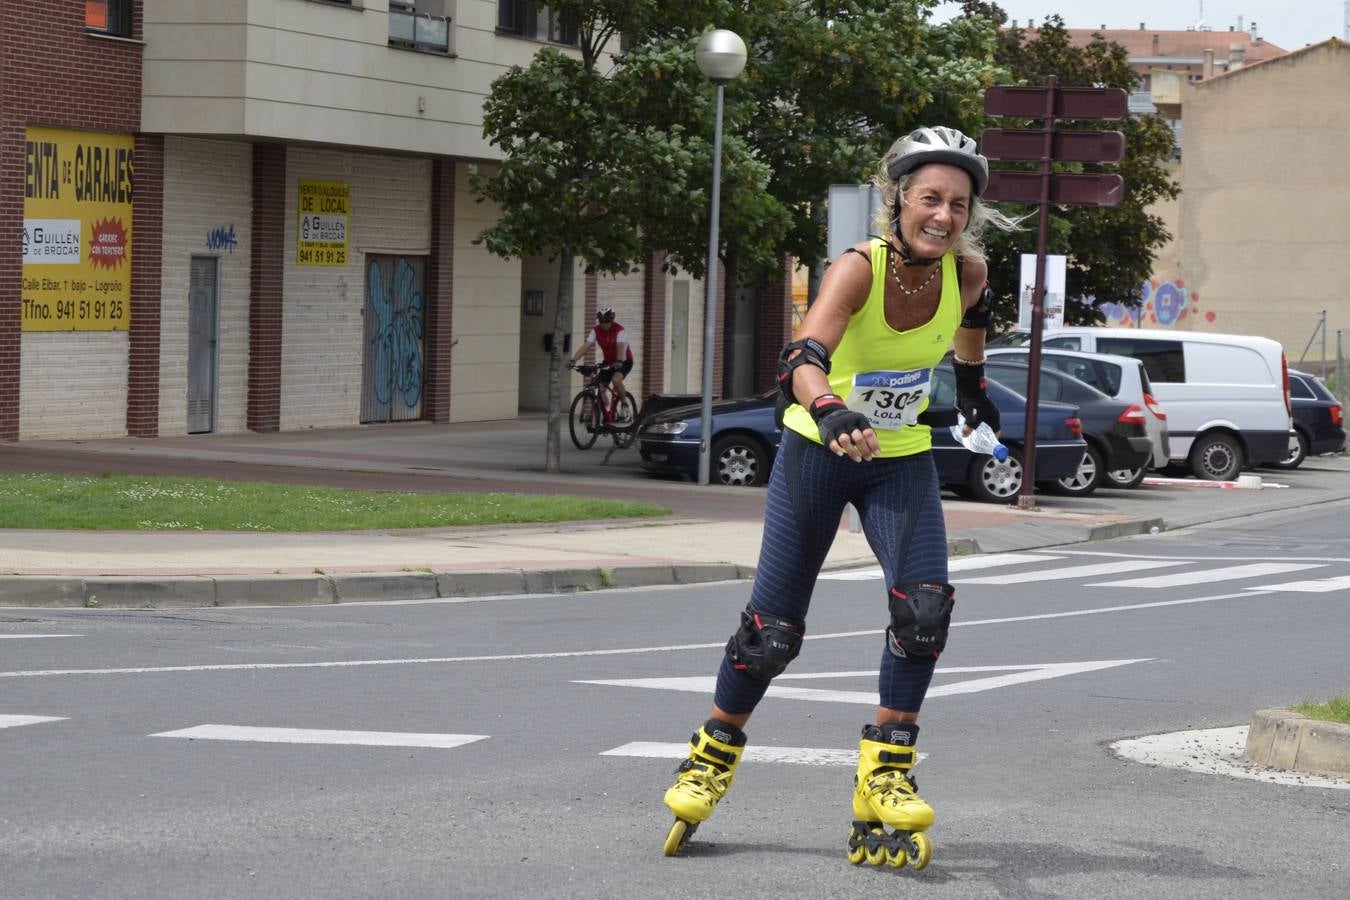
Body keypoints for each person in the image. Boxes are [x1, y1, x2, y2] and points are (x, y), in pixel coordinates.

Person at [660, 126, 1019, 867]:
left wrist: (973, 389)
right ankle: (711, 755)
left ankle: (885, 774)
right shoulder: (858, 268)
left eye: (958, 204)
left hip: (900, 459)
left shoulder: (969, 272)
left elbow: (973, 323)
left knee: (924, 612)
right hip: (817, 452)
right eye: (930, 199)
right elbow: (802, 354)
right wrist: (829, 408)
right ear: (899, 199)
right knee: (773, 633)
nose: (944, 216)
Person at [568, 306, 634, 421]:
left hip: (624, 361)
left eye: (607, 321)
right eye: (601, 321)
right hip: (608, 362)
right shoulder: (596, 330)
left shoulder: (619, 330)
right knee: (599, 386)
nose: (604, 324)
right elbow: (586, 346)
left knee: (616, 380)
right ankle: (606, 411)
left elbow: (620, 347)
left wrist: (619, 361)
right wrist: (574, 360)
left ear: (612, 320)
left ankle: (624, 404)